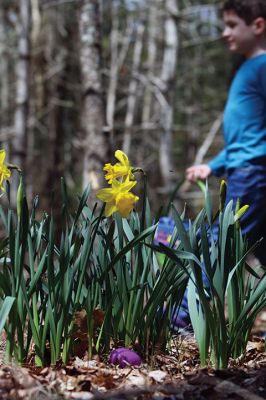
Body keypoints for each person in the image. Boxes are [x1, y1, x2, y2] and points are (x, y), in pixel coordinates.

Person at [186, 0, 266, 266]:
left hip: (251, 175)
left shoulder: (262, 67)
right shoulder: (247, 68)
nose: (225, 32)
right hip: (248, 170)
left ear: (258, 25)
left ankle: (184, 309)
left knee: (219, 249)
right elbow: (243, 140)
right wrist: (212, 166)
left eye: (232, 25)